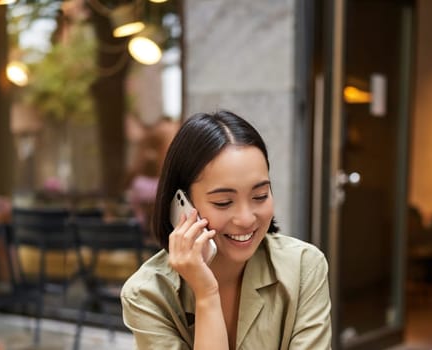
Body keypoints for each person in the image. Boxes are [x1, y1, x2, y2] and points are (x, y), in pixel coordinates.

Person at [121, 111, 332, 349]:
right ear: (180, 204)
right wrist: (206, 294)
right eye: (223, 202)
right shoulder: (147, 294)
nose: (245, 219)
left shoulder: (304, 266)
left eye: (260, 196)